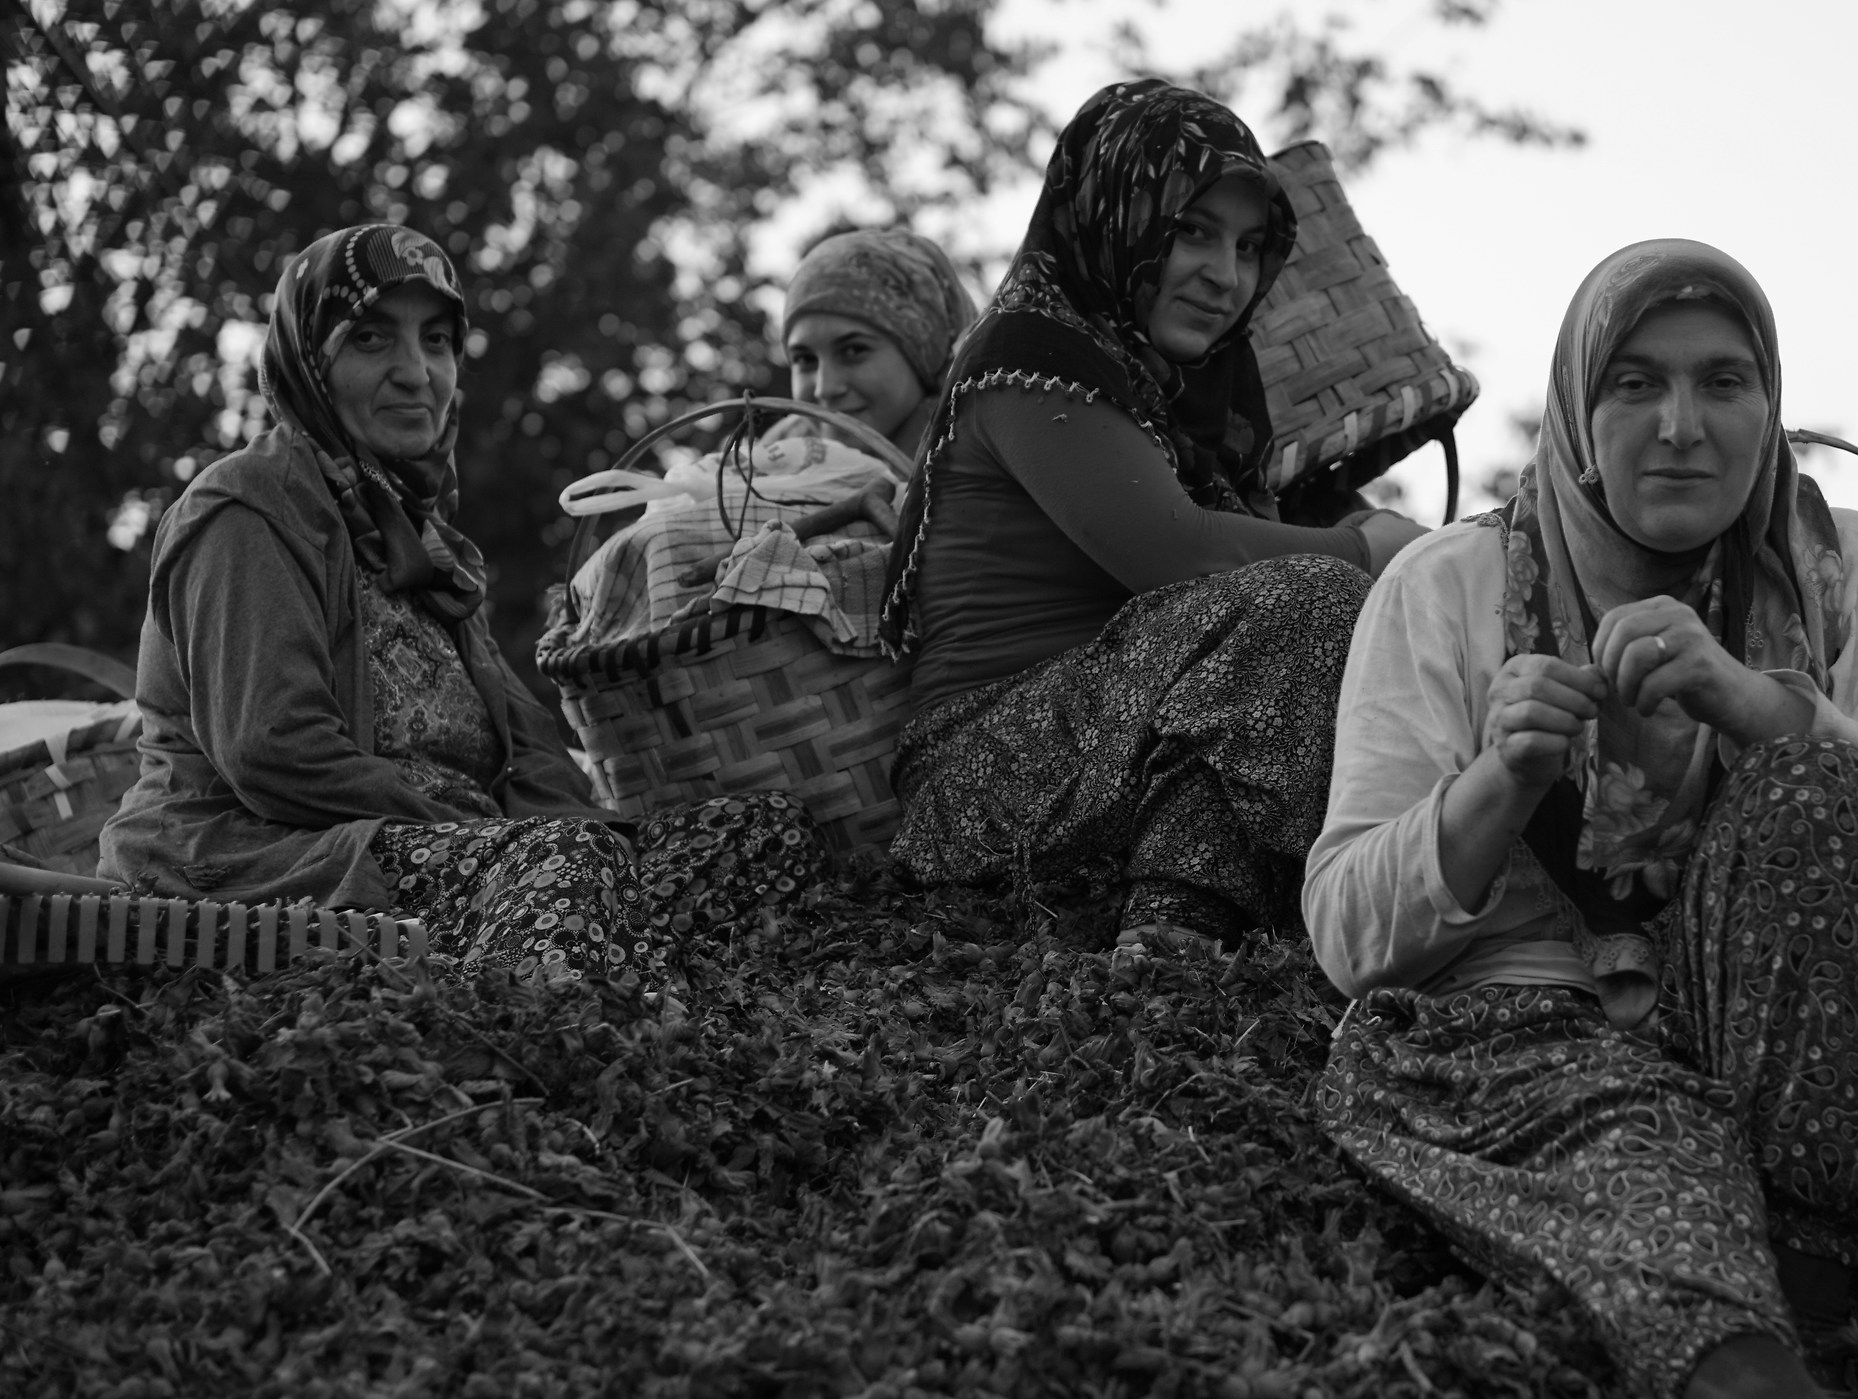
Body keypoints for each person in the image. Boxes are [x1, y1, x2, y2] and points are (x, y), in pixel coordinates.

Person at [1305, 240, 1858, 1399]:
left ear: (1771, 409)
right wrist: (1496, 782)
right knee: (1628, 1131)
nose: (1682, 426)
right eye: (1636, 383)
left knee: (1814, 788)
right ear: (1581, 409)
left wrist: (1761, 708)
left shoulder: (1841, 572)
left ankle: (1810, 1279)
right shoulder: (1451, 588)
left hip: (1762, 1025)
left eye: (1725, 383)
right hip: (1522, 1036)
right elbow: (1348, 930)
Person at [99, 224, 821, 984]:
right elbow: (273, 748)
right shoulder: (247, 509)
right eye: (372, 339)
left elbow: (529, 749)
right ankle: (543, 1037)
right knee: (562, 866)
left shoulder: (422, 539)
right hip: (272, 860)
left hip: (471, 854)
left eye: (437, 341)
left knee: (764, 833)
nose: (418, 373)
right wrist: (494, 836)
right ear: (309, 359)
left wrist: (599, 839)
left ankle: (625, 971)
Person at [879, 78, 1422, 952]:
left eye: (1250, 247)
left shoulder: (1193, 394)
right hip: (985, 775)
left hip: (1121, 739)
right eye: (1192, 231)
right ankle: (1177, 930)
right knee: (1311, 603)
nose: (1225, 275)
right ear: (1116, 214)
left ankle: (1203, 922)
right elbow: (1174, 554)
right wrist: (1369, 548)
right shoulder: (1030, 352)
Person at [780, 226, 978, 457]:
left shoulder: (990, 459)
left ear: (924, 355)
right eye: (805, 359)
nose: (825, 388)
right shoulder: (764, 467)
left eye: (853, 350)